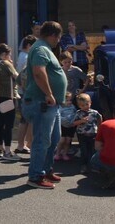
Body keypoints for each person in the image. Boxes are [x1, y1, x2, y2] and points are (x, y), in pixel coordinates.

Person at [22, 21, 67, 189]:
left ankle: (46, 170)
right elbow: (38, 72)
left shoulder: (44, 48)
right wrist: (48, 94)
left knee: (53, 138)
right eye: (59, 36)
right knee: (42, 140)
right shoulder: (41, 49)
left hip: (50, 104)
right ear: (53, 35)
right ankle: (35, 176)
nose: (59, 40)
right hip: (42, 102)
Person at [14, 35, 37, 154]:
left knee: (25, 119)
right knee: (26, 119)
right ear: (29, 46)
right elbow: (23, 76)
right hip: (26, 92)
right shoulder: (26, 57)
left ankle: (24, 144)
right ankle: (24, 144)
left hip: (24, 91)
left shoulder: (23, 55)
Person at [71, 93, 102, 173]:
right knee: (84, 150)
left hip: (93, 133)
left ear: (90, 103)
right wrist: (81, 121)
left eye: (86, 104)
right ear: (79, 105)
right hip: (82, 134)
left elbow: (99, 120)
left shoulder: (95, 112)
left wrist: (99, 129)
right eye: (82, 105)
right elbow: (73, 123)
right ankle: (83, 165)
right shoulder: (78, 113)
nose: (85, 107)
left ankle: (93, 165)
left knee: (92, 150)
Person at [54, 92, 76, 161]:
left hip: (70, 126)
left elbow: (75, 114)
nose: (69, 102)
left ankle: (65, 154)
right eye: (67, 100)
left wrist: (72, 121)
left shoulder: (72, 107)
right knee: (61, 140)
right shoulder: (60, 108)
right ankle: (57, 153)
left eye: (70, 100)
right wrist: (65, 120)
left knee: (68, 141)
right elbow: (58, 116)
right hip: (62, 126)